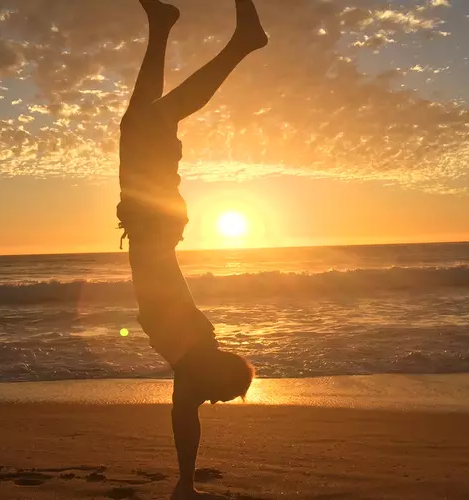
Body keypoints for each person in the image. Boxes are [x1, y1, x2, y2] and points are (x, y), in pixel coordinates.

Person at [117, 0, 268, 498]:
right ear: (210, 375)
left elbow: (186, 423)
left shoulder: (189, 362)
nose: (206, 403)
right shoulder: (195, 343)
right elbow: (190, 411)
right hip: (154, 221)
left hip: (151, 220)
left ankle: (161, 25)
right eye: (214, 396)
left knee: (138, 121)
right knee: (157, 118)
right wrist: (145, 226)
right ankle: (241, 45)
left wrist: (186, 480)